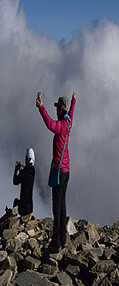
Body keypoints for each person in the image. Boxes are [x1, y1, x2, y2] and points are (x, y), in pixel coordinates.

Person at [36, 92, 74, 252]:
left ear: (60, 110)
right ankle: (63, 239)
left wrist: (41, 108)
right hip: (67, 170)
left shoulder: (60, 126)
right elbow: (71, 113)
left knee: (56, 206)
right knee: (62, 204)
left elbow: (49, 124)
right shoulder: (69, 122)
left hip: (58, 171)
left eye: (57, 108)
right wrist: (74, 101)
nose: (56, 111)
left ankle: (56, 242)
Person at [10, 148, 31, 217]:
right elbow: (26, 176)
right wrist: (21, 170)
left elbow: (15, 182)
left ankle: (13, 219)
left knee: (16, 201)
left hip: (23, 208)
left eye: (26, 158)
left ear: (29, 158)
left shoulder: (25, 172)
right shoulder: (32, 171)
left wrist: (16, 170)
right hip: (30, 208)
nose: (25, 160)